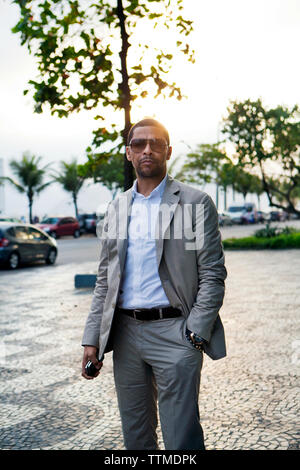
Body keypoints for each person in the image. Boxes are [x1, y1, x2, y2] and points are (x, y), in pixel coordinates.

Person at [81, 118, 227, 450]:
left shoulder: (194, 203)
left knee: (181, 439)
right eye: (139, 144)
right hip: (126, 334)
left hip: (176, 332)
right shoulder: (117, 207)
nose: (147, 149)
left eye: (156, 143)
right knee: (136, 437)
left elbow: (213, 274)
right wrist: (92, 338)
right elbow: (105, 280)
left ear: (168, 151)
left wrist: (195, 331)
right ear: (129, 153)